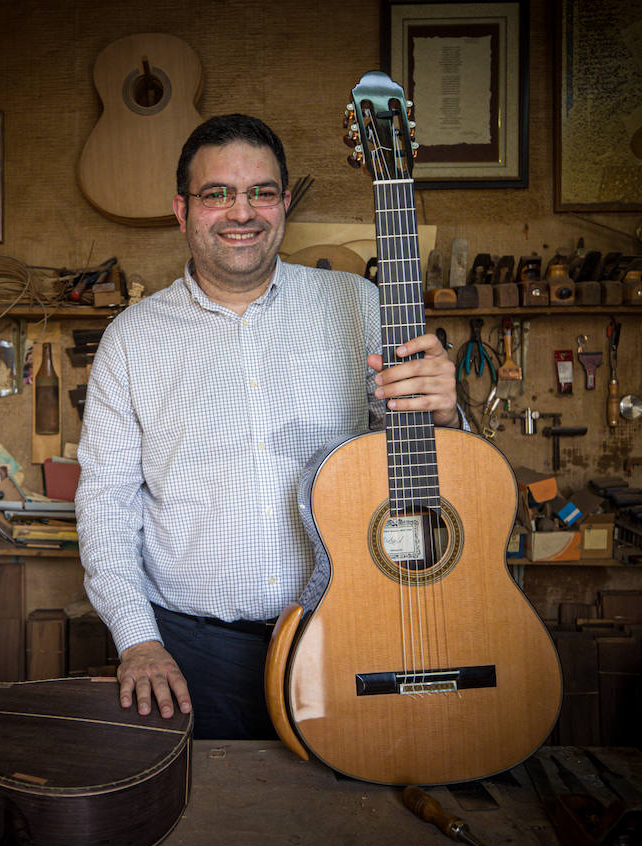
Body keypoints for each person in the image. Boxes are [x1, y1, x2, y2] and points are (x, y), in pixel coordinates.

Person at [75, 114, 461, 739]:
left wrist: (446, 414)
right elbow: (106, 506)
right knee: (213, 826)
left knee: (352, 818)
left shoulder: (358, 304)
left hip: (350, 632)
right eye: (216, 194)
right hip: (192, 654)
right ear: (182, 210)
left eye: (260, 192)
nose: (241, 212)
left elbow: (421, 475)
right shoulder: (130, 341)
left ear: (284, 203)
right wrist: (137, 641)